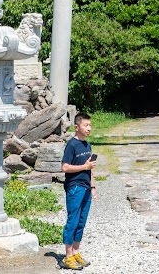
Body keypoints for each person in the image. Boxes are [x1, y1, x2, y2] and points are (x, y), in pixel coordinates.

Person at [61, 112, 97, 270]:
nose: (89, 128)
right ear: (77, 127)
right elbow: (65, 167)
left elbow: (91, 170)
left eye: (90, 125)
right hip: (74, 187)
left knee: (81, 222)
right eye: (85, 125)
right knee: (73, 221)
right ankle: (67, 257)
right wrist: (84, 167)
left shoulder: (87, 145)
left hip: (87, 188)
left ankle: (76, 252)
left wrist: (93, 187)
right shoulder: (72, 145)